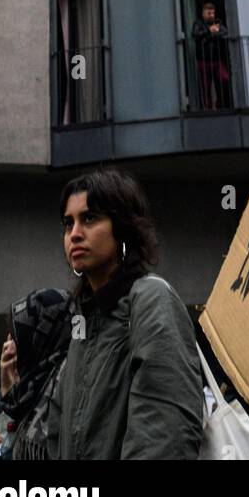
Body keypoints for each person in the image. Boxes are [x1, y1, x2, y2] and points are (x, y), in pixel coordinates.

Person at [47, 169, 203, 460]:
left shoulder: (150, 298)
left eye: (90, 218)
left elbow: (165, 438)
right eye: (68, 224)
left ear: (122, 227)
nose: (75, 234)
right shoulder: (82, 326)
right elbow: (57, 434)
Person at [0, 288, 73, 461]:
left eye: (17, 338)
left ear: (42, 336)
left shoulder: (67, 384)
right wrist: (9, 392)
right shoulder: (33, 392)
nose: (8, 347)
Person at [192, 2, 231, 110]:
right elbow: (196, 35)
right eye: (209, 13)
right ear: (203, 13)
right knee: (206, 86)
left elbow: (224, 32)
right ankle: (208, 108)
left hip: (216, 59)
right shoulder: (199, 24)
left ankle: (221, 104)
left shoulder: (217, 23)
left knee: (224, 79)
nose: (211, 15)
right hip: (203, 60)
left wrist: (213, 33)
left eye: (212, 13)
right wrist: (210, 32)